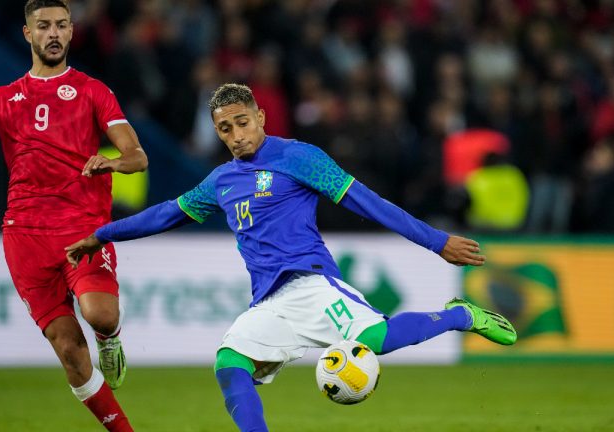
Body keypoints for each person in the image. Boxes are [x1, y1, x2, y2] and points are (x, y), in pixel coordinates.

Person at [66, 84, 516, 431]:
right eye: (225, 129)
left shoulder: (298, 157)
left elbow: (368, 202)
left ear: (260, 117)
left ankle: (460, 315)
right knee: (229, 364)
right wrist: (102, 235)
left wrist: (437, 242)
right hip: (269, 301)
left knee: (377, 339)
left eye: (242, 123)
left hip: (311, 280)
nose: (236, 135)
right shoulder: (221, 181)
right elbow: (166, 214)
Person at [0, 1, 147, 430]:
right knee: (69, 350)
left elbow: (137, 156)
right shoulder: (2, 99)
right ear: (28, 34)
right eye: (43, 26)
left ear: (72, 31)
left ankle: (109, 339)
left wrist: (113, 162)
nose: (53, 33)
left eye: (60, 25)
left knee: (101, 314)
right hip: (24, 236)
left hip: (83, 228)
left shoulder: (93, 91)